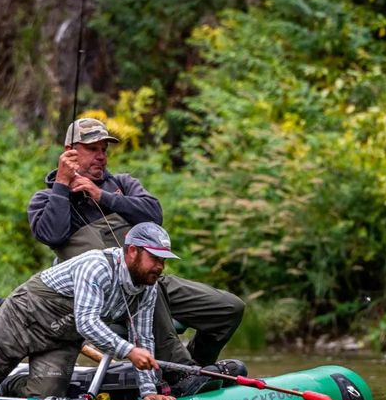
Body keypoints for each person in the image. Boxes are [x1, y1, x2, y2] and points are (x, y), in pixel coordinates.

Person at [27, 118, 245, 377]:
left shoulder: (123, 184)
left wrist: (103, 197)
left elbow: (155, 215)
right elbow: (52, 234)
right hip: (105, 298)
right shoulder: (46, 200)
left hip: (152, 280)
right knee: (149, 296)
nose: (101, 157)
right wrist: (62, 187)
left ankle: (193, 373)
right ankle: (182, 372)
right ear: (69, 151)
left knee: (229, 309)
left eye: (104, 150)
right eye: (92, 149)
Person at [0, 222, 177, 400]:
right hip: (21, 319)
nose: (160, 266)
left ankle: (10, 386)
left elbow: (143, 339)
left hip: (62, 341)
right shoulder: (97, 266)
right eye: (154, 258)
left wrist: (149, 390)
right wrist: (128, 351)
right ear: (133, 251)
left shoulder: (148, 288)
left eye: (163, 260)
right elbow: (87, 323)